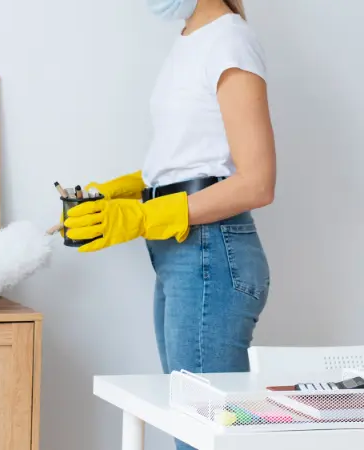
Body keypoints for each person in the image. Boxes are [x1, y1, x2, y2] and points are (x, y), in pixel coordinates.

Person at [64, 1, 274, 447]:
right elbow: (192, 158)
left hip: (209, 254)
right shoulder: (190, 42)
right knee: (191, 427)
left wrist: (142, 215)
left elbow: (257, 182)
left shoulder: (228, 40)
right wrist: (127, 191)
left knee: (202, 437)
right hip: (183, 253)